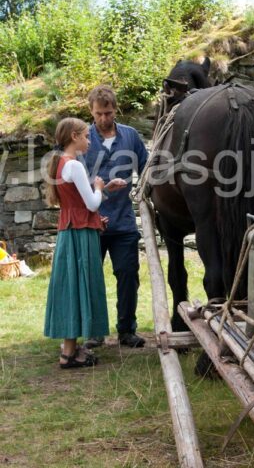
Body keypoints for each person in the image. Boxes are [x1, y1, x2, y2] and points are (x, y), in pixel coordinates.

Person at [44, 117, 126, 368]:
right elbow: (91, 203)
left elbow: (79, 203)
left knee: (72, 286)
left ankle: (71, 348)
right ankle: (68, 354)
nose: (90, 140)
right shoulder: (75, 166)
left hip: (70, 231)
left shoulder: (61, 164)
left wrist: (104, 188)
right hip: (80, 235)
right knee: (80, 287)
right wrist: (100, 186)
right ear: (74, 137)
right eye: (86, 136)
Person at [82, 85, 148, 348]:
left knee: (128, 275)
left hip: (123, 222)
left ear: (115, 110)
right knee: (91, 279)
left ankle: (126, 330)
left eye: (108, 113)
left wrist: (142, 191)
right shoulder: (82, 137)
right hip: (90, 223)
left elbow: (146, 169)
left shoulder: (130, 137)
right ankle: (94, 332)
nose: (103, 119)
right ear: (91, 111)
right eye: (98, 114)